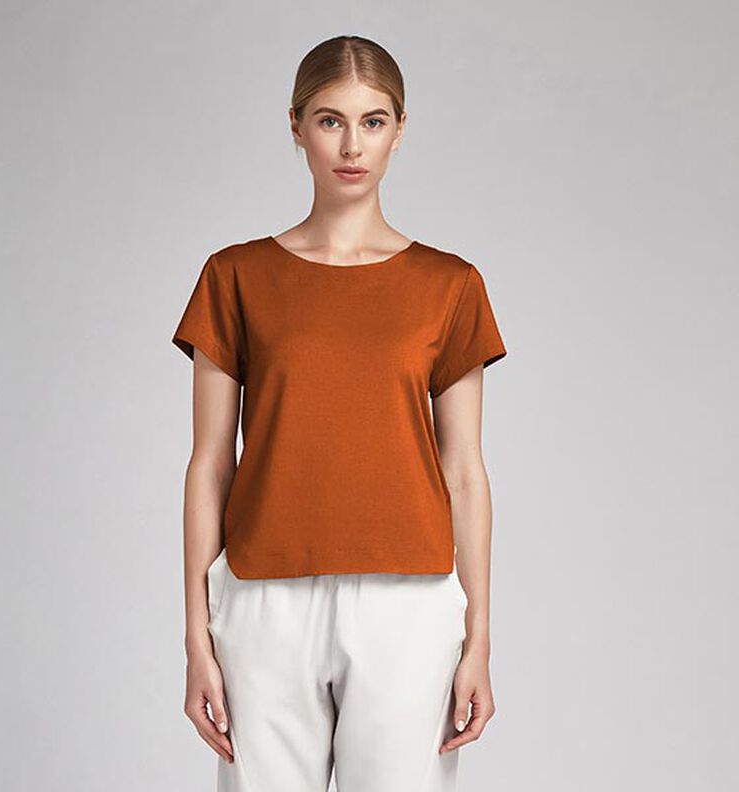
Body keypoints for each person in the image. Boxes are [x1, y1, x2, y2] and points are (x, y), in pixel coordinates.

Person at [172, 34, 508, 792]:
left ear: (399, 129)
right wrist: (195, 635)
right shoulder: (235, 276)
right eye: (330, 121)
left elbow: (464, 468)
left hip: (409, 603)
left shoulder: (450, 285)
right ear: (296, 126)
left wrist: (479, 636)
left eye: (373, 121)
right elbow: (209, 463)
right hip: (264, 596)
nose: (352, 145)